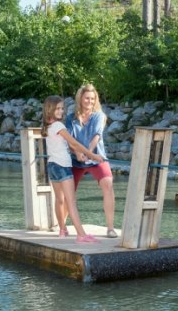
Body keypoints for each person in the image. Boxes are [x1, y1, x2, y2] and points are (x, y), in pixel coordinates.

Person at [41, 95, 103, 244]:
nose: (61, 111)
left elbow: (63, 146)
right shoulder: (58, 126)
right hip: (63, 166)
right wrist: (92, 155)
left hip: (52, 166)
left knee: (59, 200)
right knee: (71, 201)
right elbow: (74, 143)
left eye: (62, 108)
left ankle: (62, 230)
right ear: (49, 109)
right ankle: (81, 235)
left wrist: (78, 154)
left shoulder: (48, 127)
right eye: (57, 108)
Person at [65, 84, 118, 239]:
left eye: (93, 99)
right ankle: (61, 226)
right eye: (87, 98)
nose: (90, 101)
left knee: (108, 183)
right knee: (67, 191)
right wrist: (77, 153)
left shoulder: (98, 116)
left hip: (96, 157)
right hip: (75, 159)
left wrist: (88, 153)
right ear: (80, 99)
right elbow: (69, 139)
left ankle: (110, 228)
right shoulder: (70, 118)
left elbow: (97, 136)